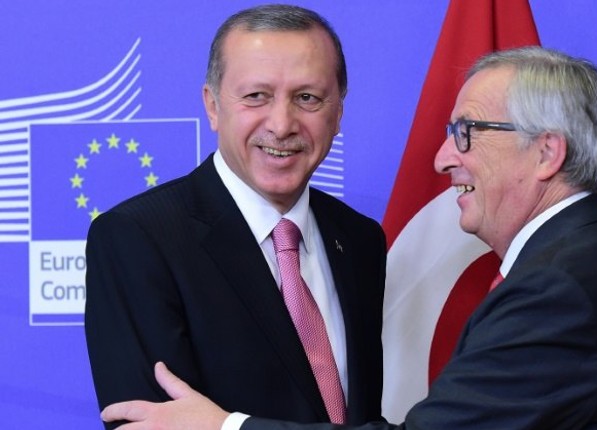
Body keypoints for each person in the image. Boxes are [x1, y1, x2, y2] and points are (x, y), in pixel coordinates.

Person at [99, 46, 597, 429]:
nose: (441, 159)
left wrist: (226, 428)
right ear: (213, 105)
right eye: (255, 96)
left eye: (466, 133)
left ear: (546, 152)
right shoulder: (586, 256)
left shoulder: (562, 282)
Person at [84, 4, 386, 429]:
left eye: (307, 98)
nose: (282, 124)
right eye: (256, 96)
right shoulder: (138, 238)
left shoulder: (360, 239)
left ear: (338, 112)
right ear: (212, 106)